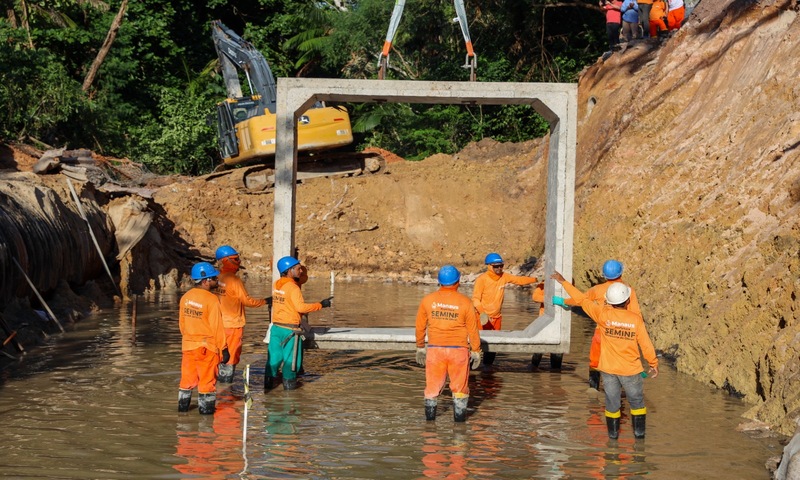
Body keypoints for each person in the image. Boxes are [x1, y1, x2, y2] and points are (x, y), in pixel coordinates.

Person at [551, 271, 658, 439]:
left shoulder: (602, 315)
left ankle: (612, 440)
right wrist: (653, 363)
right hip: (631, 370)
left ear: (609, 301)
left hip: (608, 370)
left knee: (612, 404)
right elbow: (646, 344)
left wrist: (563, 282)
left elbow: (581, 299)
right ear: (627, 301)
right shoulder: (635, 320)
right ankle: (639, 440)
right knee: (636, 403)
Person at [556, 259, 642, 390]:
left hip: (601, 331)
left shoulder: (597, 289)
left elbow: (580, 300)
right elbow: (636, 314)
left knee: (595, 361)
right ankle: (620, 393)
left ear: (604, 275)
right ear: (621, 273)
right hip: (623, 332)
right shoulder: (629, 291)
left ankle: (593, 389)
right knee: (620, 362)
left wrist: (564, 299)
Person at [416, 265, 482, 422]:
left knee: (432, 389)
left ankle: (429, 428)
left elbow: (420, 327)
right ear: (458, 281)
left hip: (435, 351)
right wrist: (476, 350)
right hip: (458, 351)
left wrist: (420, 347)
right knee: (460, 390)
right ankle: (459, 430)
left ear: (439, 282)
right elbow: (473, 330)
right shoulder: (465, 302)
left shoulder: (428, 300)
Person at [265, 256, 331, 391]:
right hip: (290, 331)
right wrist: (320, 305)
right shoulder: (293, 288)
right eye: (298, 268)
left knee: (273, 359)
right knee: (291, 362)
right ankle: (290, 394)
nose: (301, 271)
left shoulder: (277, 284)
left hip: (276, 328)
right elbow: (301, 308)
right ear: (289, 270)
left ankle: (268, 388)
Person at [178, 262, 229, 414]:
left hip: (188, 346)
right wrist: (224, 348)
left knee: (186, 382)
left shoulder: (185, 297)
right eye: (214, 278)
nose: (217, 280)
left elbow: (182, 325)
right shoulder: (211, 299)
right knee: (207, 384)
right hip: (207, 348)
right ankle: (206, 421)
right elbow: (217, 327)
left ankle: (182, 415)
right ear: (205, 281)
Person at [472, 253, 538, 364]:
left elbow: (519, 280)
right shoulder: (482, 279)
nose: (499, 268)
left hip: (496, 318)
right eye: (496, 266)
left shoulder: (504, 276)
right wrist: (482, 313)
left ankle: (488, 368)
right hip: (482, 317)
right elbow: (475, 299)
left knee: (493, 346)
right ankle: (472, 367)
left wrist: (536, 279)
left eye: (501, 266)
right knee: (478, 344)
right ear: (489, 266)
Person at [215, 245, 268, 383]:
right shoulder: (234, 280)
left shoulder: (215, 278)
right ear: (225, 261)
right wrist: (265, 301)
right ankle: (226, 387)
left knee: (219, 356)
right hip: (233, 325)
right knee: (231, 356)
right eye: (235, 259)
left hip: (217, 325)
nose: (238, 262)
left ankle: (218, 386)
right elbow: (247, 301)